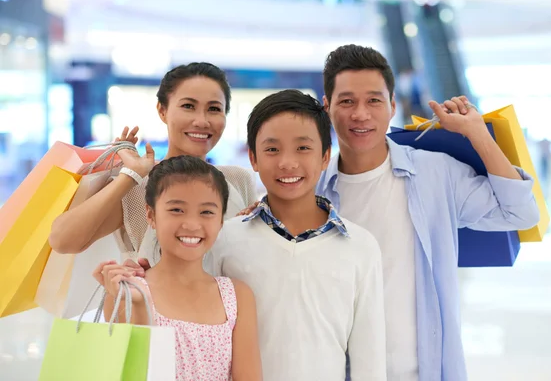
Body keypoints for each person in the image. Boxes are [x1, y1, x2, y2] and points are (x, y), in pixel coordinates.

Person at [315, 45, 540, 380]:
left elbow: (520, 213)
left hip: (426, 370)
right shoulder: (314, 190)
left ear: (392, 106)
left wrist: (477, 133)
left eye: (374, 100)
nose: (360, 114)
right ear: (327, 107)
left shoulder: (435, 174)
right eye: (346, 101)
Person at [205, 90, 387, 380]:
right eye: (272, 149)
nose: (287, 163)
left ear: (326, 156)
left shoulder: (361, 246)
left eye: (303, 148)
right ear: (252, 157)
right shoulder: (225, 239)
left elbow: (370, 360)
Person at [49, 62, 257, 266]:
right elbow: (62, 241)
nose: (201, 121)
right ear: (162, 111)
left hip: (228, 300)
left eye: (214, 109)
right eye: (188, 106)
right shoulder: (137, 184)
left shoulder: (238, 179)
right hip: (148, 300)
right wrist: (129, 176)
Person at [93, 155, 262, 381]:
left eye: (207, 212)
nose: (192, 224)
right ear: (151, 215)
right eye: (176, 210)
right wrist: (139, 305)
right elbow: (134, 375)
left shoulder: (237, 296)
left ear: (221, 220)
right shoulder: (127, 293)